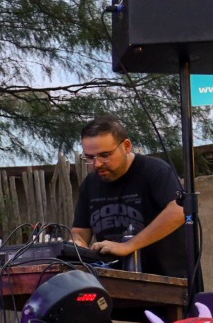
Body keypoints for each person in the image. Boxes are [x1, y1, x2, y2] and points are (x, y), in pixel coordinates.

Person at [71, 116, 191, 281]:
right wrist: (76, 246)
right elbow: (80, 231)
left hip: (166, 282)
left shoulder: (155, 171)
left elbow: (180, 210)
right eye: (90, 158)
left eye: (105, 155)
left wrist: (128, 246)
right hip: (114, 283)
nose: (97, 164)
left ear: (126, 146)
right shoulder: (90, 184)